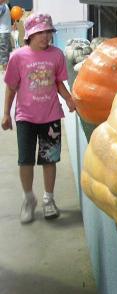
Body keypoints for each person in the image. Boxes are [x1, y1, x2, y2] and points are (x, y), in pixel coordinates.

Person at [1, 12, 75, 224]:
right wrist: (6, 113)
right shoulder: (18, 57)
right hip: (25, 117)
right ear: (30, 35)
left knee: (49, 160)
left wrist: (69, 99)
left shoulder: (57, 55)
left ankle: (48, 199)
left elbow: (59, 82)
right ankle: (28, 198)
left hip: (50, 116)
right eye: (39, 32)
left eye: (48, 32)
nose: (45, 37)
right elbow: (11, 87)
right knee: (25, 161)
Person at [0, 0, 11, 70]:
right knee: (7, 49)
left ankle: (5, 67)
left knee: (3, 50)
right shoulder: (6, 5)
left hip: (3, 31)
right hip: (6, 31)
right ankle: (8, 65)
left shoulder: (2, 7)